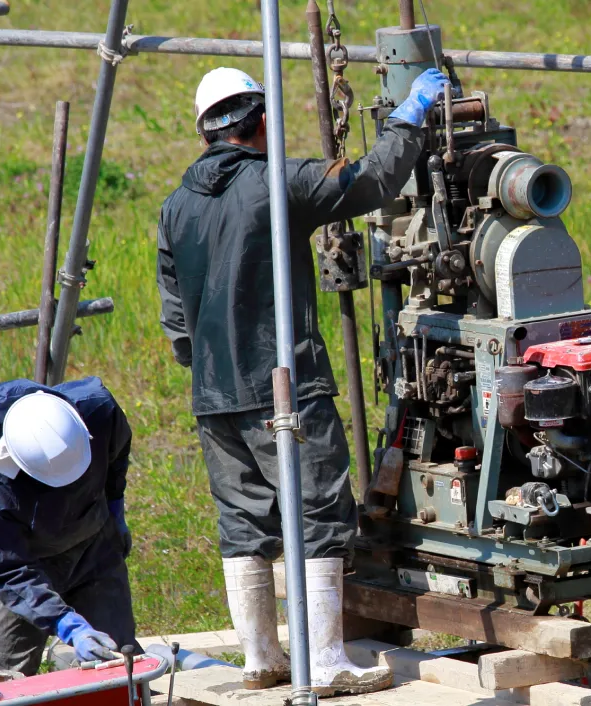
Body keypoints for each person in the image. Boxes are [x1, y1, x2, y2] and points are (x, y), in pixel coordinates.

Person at [155, 66, 447, 696]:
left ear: (204, 132)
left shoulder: (175, 208)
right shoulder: (276, 184)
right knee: (317, 512)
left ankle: (261, 658)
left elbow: (176, 320)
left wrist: (211, 367)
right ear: (261, 121)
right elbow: (370, 179)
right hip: (284, 387)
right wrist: (410, 116)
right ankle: (326, 662)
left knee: (243, 521)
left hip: (214, 397)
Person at [0, 378, 135, 677]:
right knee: (1, 681)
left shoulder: (98, 409)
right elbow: (7, 570)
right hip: (25, 569)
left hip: (94, 547)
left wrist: (115, 507)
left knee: (117, 660)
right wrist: (67, 625)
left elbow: (116, 455)